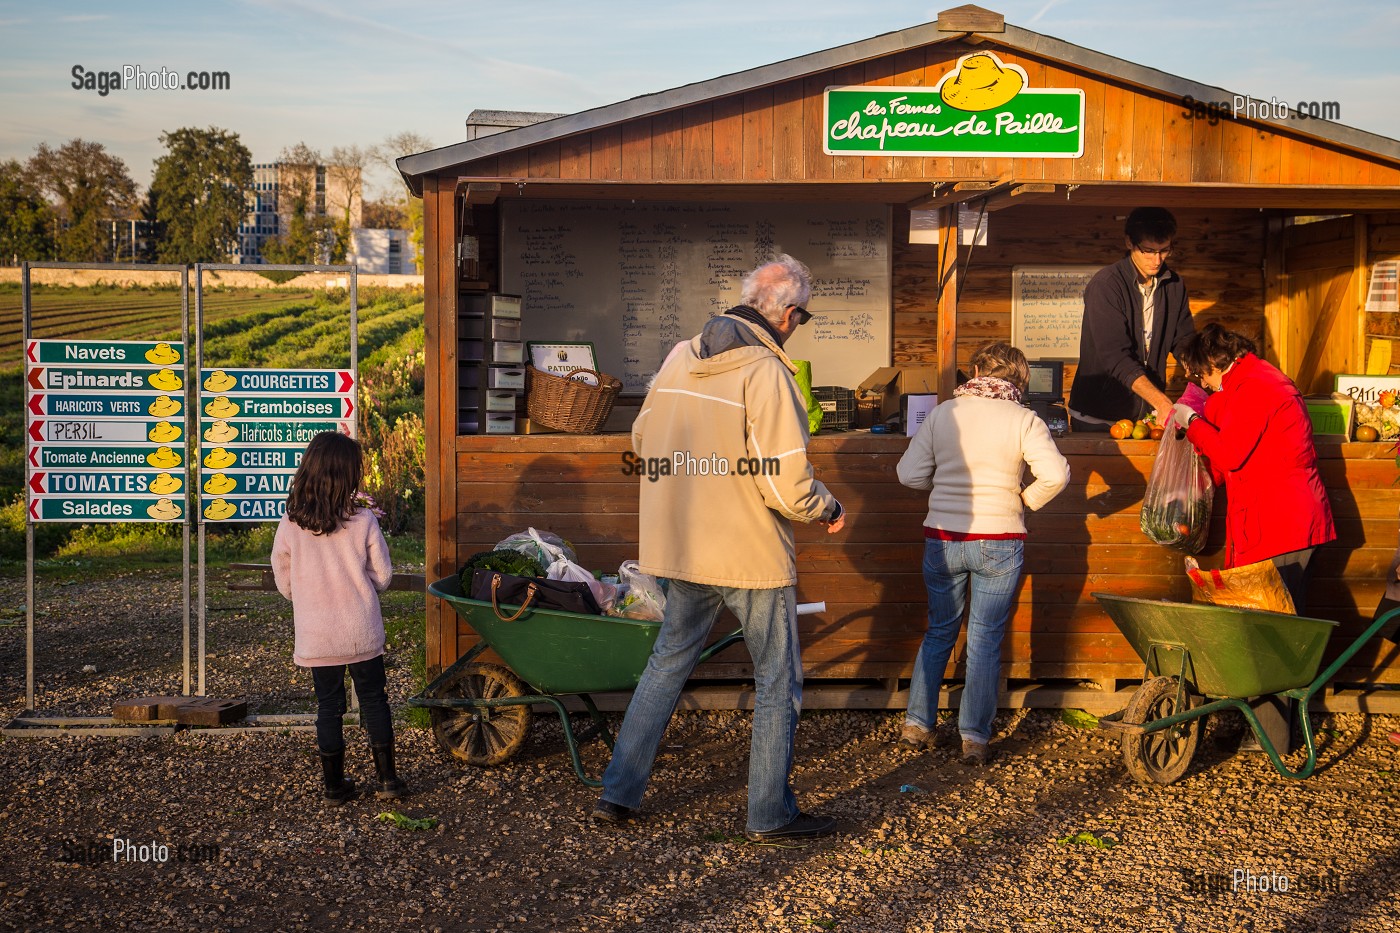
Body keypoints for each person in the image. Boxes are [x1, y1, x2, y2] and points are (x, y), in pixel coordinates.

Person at [592, 254, 848, 842]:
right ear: (786, 314)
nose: (797, 326)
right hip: (748, 553)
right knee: (777, 677)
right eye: (801, 317)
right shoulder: (767, 372)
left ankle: (618, 792)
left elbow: (641, 437)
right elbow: (787, 484)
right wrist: (826, 506)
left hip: (682, 543)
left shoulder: (681, 356)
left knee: (667, 664)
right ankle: (769, 813)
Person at [896, 343, 1070, 764]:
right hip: (999, 539)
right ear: (1020, 379)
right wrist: (1025, 499)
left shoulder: (943, 414)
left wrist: (942, 490)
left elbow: (908, 474)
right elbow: (1056, 474)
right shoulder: (1025, 419)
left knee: (939, 629)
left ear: (975, 370)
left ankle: (918, 724)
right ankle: (973, 736)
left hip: (943, 537)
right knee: (985, 638)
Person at [1172, 324, 1337, 754]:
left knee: (1274, 632)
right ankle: (1260, 725)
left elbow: (1229, 452)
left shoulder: (1261, 385)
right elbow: (1227, 460)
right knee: (1259, 627)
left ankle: (1274, 737)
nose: (1197, 382)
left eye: (1197, 373)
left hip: (1285, 521)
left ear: (1214, 362)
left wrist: (1191, 422)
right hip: (1266, 520)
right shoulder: (1241, 387)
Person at [272, 431, 405, 805]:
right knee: (375, 700)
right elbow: (383, 576)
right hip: (361, 630)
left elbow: (285, 581)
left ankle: (333, 786)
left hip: (318, 635)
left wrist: (310, 597)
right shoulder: (362, 521)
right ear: (348, 476)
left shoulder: (291, 523)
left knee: (328, 706)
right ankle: (388, 780)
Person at [1068, 207, 1196, 432]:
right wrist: (1161, 401)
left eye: (1164, 250)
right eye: (1148, 250)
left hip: (1146, 416)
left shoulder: (1175, 285)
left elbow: (1183, 338)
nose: (1156, 260)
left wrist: (1194, 362)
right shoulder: (1106, 285)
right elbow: (1115, 357)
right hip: (1098, 416)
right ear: (1129, 243)